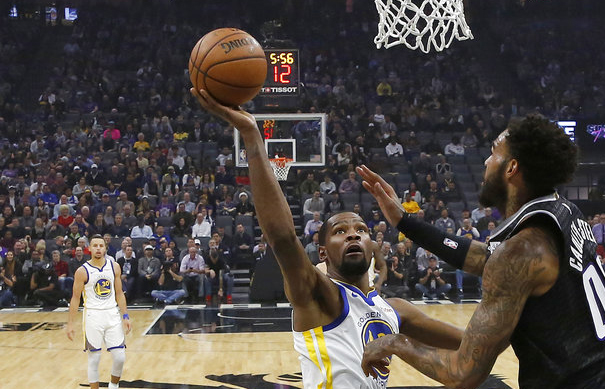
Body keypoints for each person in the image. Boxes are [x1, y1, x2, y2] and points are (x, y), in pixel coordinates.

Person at [356, 114, 605, 388]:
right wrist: (406, 222)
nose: (486, 162)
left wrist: (396, 343)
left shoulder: (521, 251)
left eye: (493, 152)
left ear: (511, 168)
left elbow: (463, 373)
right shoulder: (564, 212)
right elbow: (483, 257)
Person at [192, 87, 464, 389]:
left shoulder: (396, 309)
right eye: (340, 231)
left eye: (360, 230)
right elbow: (283, 239)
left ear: (373, 248)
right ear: (322, 253)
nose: (352, 235)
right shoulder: (319, 295)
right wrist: (253, 138)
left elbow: (474, 344)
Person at [66, 235, 131, 389]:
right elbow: (75, 298)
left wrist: (126, 315)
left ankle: (113, 386)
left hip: (112, 314)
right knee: (94, 359)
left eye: (101, 246)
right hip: (92, 316)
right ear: (89, 248)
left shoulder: (114, 266)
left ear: (105, 248)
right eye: (95, 246)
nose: (98, 249)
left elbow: (120, 293)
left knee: (120, 357)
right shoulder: (82, 271)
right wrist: (70, 324)